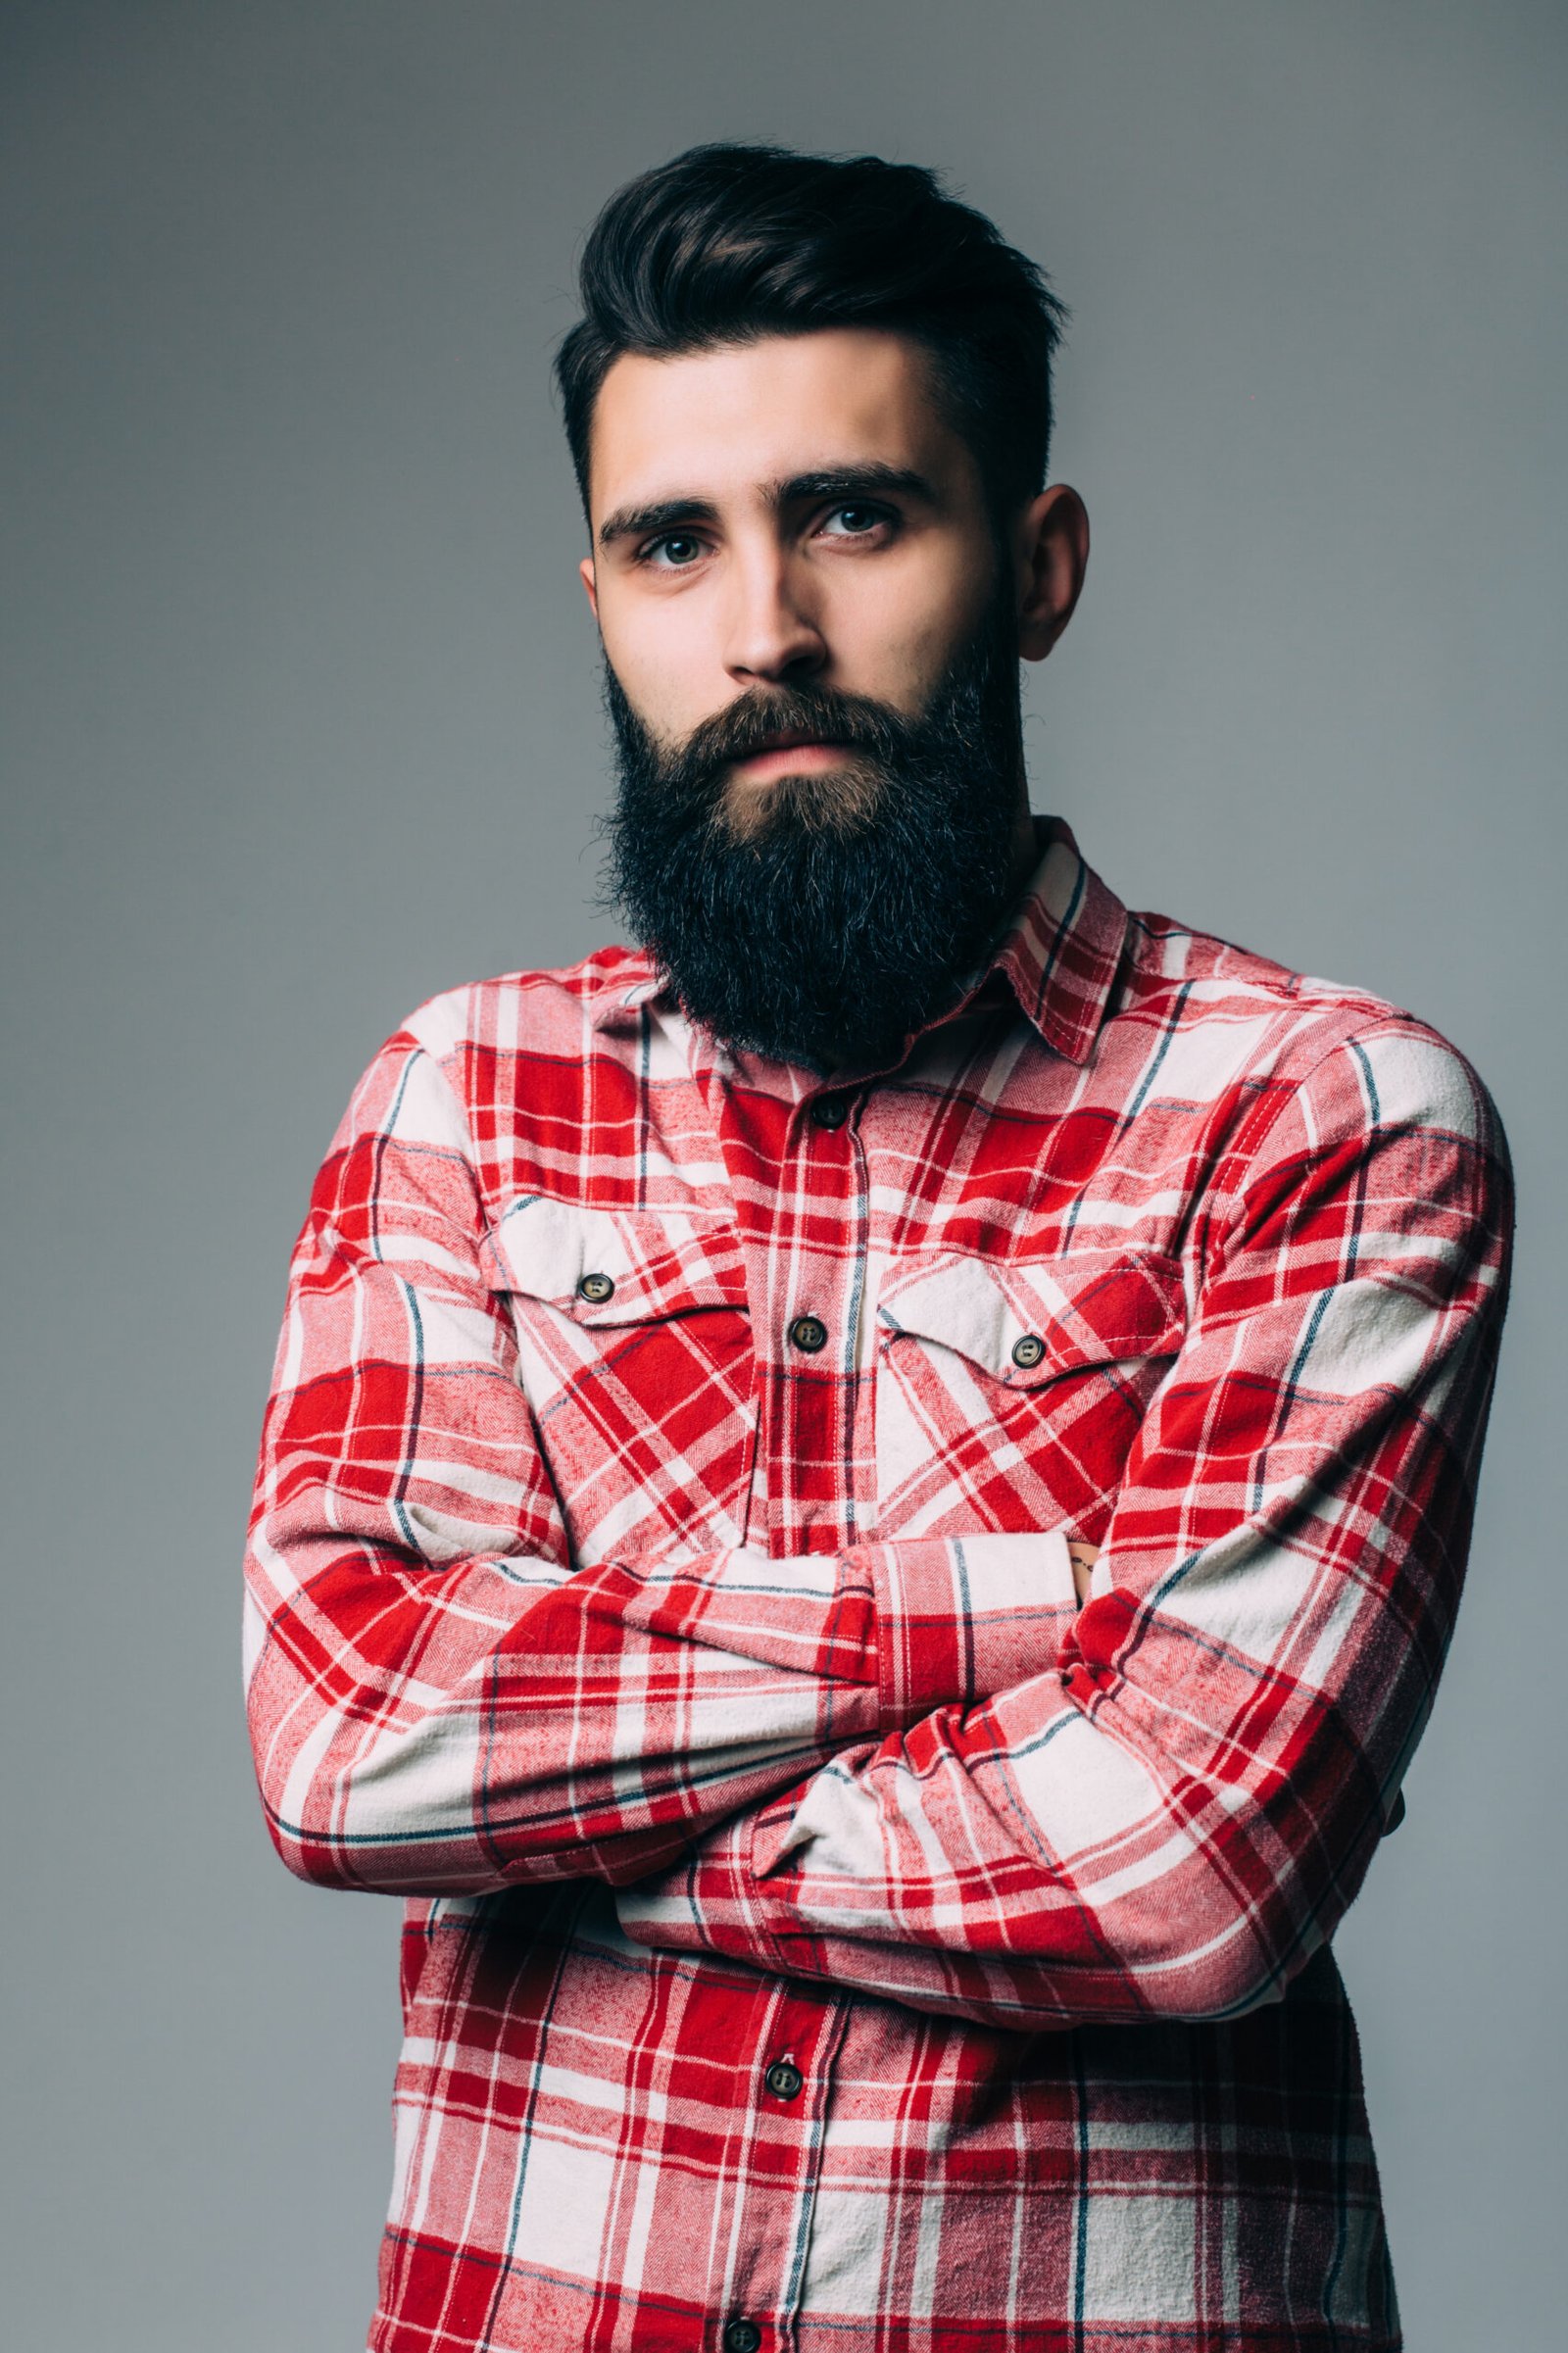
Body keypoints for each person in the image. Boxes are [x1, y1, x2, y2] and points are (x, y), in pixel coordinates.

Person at [243, 144, 1511, 2353]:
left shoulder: (1320, 1117)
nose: (763, 634)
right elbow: (352, 1739)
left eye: (852, 515)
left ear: (1035, 566)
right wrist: (1031, 1629)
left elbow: (1184, 1870)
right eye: (671, 544)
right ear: (602, 600)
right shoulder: (458, 1094)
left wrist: (566, 1822)